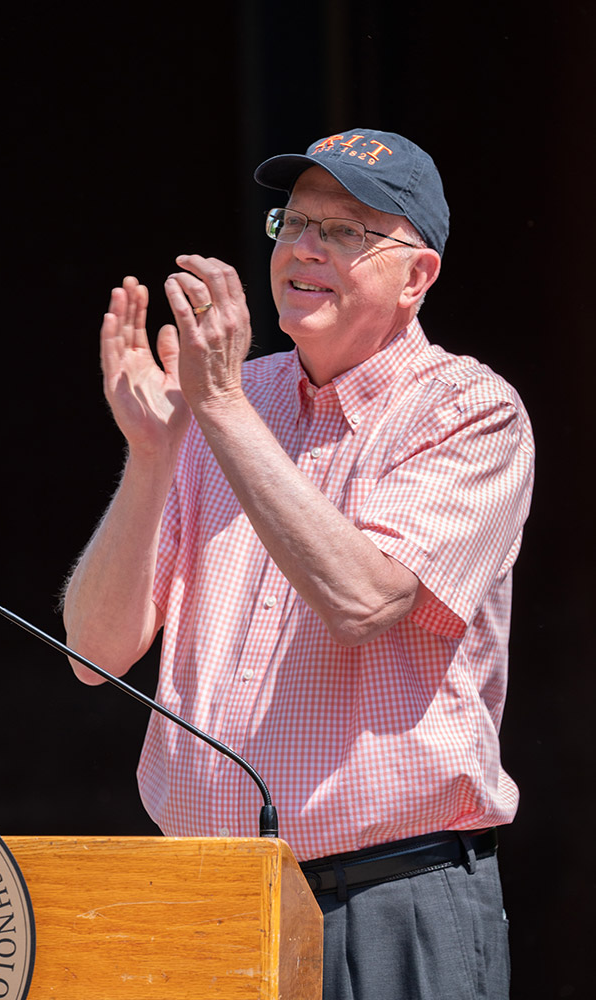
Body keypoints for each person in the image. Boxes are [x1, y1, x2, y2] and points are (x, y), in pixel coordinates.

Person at [63, 128, 534, 1000]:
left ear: (417, 276)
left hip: (383, 901)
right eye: (295, 223)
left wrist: (217, 405)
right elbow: (93, 653)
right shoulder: (233, 399)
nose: (305, 247)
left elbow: (362, 600)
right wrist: (156, 451)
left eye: (349, 231)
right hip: (201, 898)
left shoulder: (469, 409)